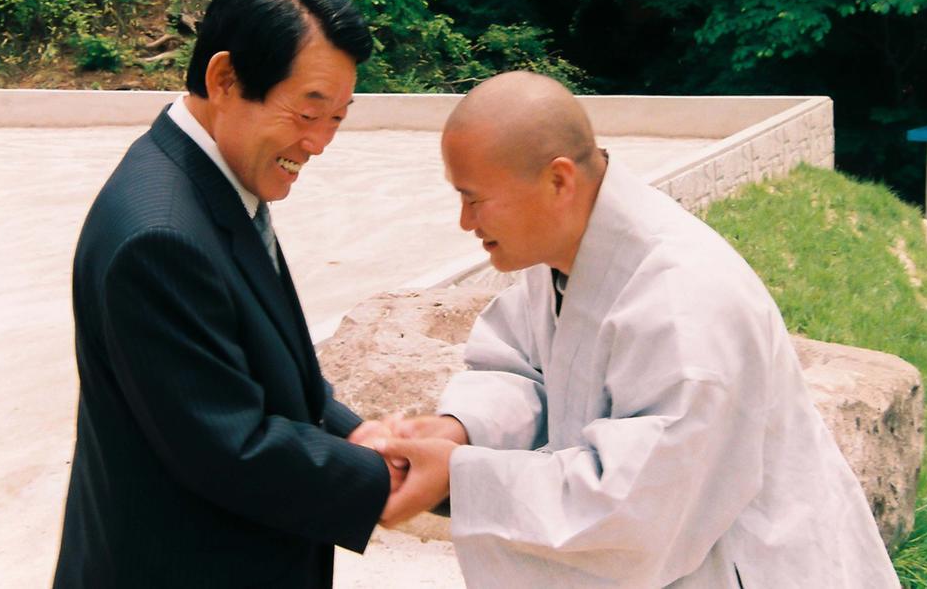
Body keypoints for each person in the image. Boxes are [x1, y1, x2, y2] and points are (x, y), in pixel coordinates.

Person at [376, 71, 899, 588]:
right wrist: (461, 427)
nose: (465, 222)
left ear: (558, 181)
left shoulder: (685, 302)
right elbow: (520, 366)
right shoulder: (565, 247)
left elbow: (634, 509)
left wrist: (459, 477)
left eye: (474, 199)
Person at [52, 0, 399, 588]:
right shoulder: (161, 237)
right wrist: (388, 477)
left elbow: (269, 370)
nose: (319, 142)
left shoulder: (215, 184)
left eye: (337, 118)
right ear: (225, 80)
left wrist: (356, 431)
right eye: (307, 112)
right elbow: (230, 446)